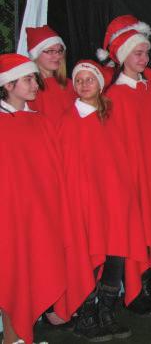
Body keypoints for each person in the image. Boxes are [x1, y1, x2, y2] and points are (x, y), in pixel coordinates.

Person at [0, 53, 94, 344]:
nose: (35, 85)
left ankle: (22, 336)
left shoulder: (39, 121)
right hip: (10, 217)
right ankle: (12, 337)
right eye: (28, 79)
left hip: (41, 214)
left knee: (36, 268)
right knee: (13, 272)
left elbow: (54, 170)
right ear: (8, 85)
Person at [97, 15, 151, 316]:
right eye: (138, 53)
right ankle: (136, 292)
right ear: (123, 57)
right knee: (137, 233)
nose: (145, 58)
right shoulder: (114, 97)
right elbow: (114, 147)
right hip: (133, 180)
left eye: (146, 53)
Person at [59, 60, 150, 341]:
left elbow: (122, 156)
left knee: (116, 254)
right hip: (86, 202)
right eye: (79, 80)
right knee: (90, 255)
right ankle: (87, 316)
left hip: (115, 199)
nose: (84, 84)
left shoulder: (111, 114)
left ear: (100, 83)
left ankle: (107, 312)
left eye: (90, 79)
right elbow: (69, 167)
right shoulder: (69, 120)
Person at [26, 25, 75, 127]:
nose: (57, 56)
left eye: (60, 51)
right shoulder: (28, 87)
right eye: (50, 51)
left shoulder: (71, 85)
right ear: (36, 54)